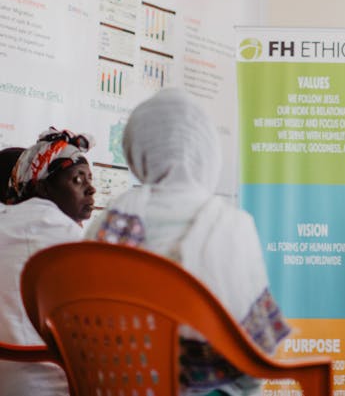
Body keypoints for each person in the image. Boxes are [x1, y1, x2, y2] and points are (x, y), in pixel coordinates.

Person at [85, 88, 290, 396]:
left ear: (135, 149)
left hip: (115, 386)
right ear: (207, 150)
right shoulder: (232, 226)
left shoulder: (107, 224)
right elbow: (255, 352)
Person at [0, 127, 96, 395]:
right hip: (54, 384)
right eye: (77, 179)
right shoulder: (70, 237)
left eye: (90, 179)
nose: (91, 188)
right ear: (43, 187)